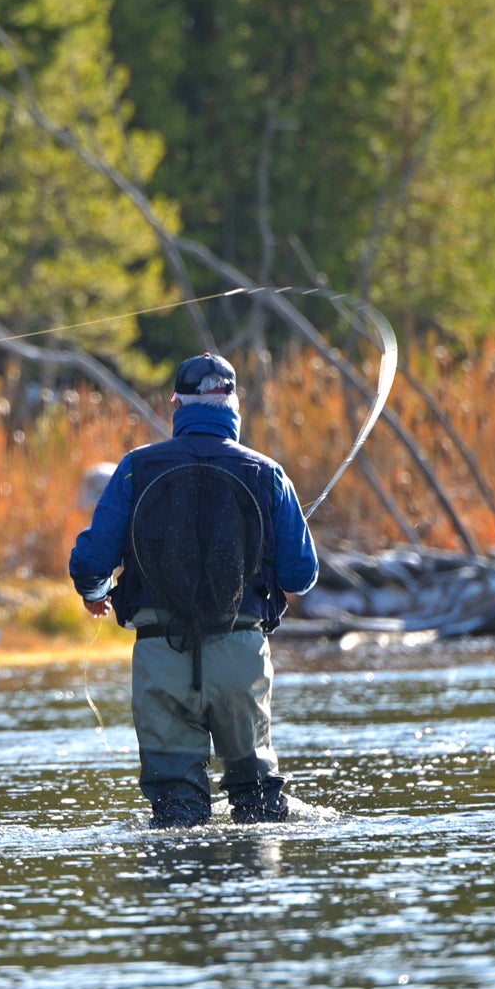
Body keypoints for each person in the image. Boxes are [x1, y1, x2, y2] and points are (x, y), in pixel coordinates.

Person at [69, 353, 319, 827]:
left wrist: (96, 591)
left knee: (175, 810)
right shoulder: (269, 473)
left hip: (161, 655)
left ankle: (181, 897)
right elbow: (300, 576)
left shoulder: (134, 468)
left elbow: (91, 560)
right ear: (234, 403)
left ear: (175, 404)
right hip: (242, 656)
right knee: (259, 801)